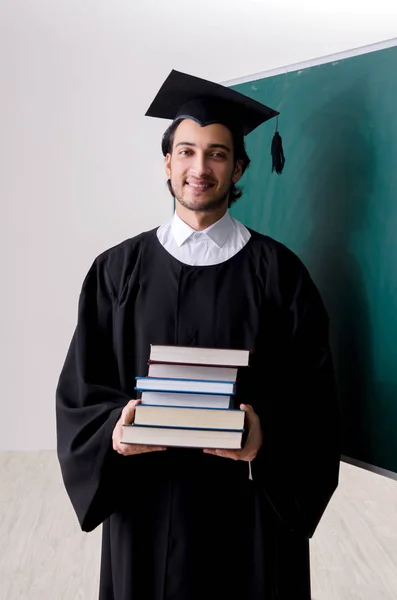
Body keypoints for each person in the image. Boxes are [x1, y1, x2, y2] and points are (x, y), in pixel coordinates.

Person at [56, 69, 340, 600]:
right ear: (167, 163)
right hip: (146, 508)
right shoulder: (117, 272)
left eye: (216, 153)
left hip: (252, 518)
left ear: (238, 167)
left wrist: (266, 438)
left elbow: (316, 402)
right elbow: (80, 393)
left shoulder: (280, 275)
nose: (199, 168)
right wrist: (114, 431)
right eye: (186, 152)